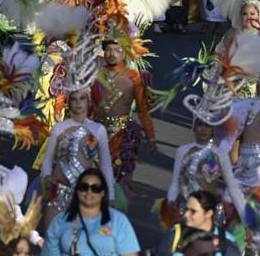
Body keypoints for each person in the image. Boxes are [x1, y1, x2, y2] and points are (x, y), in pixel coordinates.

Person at [36, 168, 141, 256]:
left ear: (103, 193)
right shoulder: (61, 221)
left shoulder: (118, 221)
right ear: (77, 191)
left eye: (95, 188)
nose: (89, 192)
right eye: (83, 187)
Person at [92, 37, 156, 194]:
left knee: (119, 177)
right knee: (94, 178)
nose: (112, 53)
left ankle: (115, 213)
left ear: (125, 53)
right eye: (108, 49)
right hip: (96, 133)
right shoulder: (95, 74)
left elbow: (142, 110)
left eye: (117, 50)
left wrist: (151, 137)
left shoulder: (134, 76)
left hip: (122, 136)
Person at [41, 88, 114, 221]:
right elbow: (48, 159)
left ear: (88, 101)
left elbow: (106, 166)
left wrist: (110, 196)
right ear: (68, 102)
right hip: (58, 193)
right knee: (52, 238)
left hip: (85, 195)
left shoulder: (98, 130)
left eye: (82, 98)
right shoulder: (59, 128)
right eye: (74, 99)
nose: (78, 103)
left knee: (80, 238)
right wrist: (47, 176)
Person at [148, 189, 245, 256]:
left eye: (193, 211)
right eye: (186, 209)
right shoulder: (176, 234)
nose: (186, 214)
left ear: (208, 214)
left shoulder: (225, 241)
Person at [165, 118, 243, 221]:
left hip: (209, 211)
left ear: (213, 129)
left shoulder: (220, 154)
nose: (203, 129)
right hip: (186, 210)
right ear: (194, 127)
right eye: (200, 124)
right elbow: (175, 181)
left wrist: (243, 214)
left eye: (208, 126)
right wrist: (170, 200)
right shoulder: (183, 151)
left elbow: (232, 185)